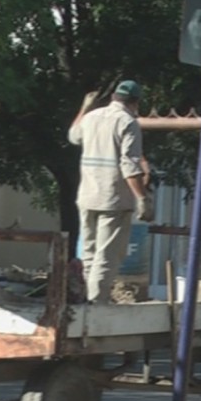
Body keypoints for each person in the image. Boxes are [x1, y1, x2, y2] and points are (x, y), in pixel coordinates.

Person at [67, 79, 153, 304]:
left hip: (87, 196)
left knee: (89, 254)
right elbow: (130, 165)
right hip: (113, 199)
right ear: (135, 102)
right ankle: (96, 306)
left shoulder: (91, 117)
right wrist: (142, 197)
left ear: (114, 97)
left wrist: (85, 108)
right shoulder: (127, 122)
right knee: (106, 258)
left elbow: (73, 136)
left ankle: (85, 301)